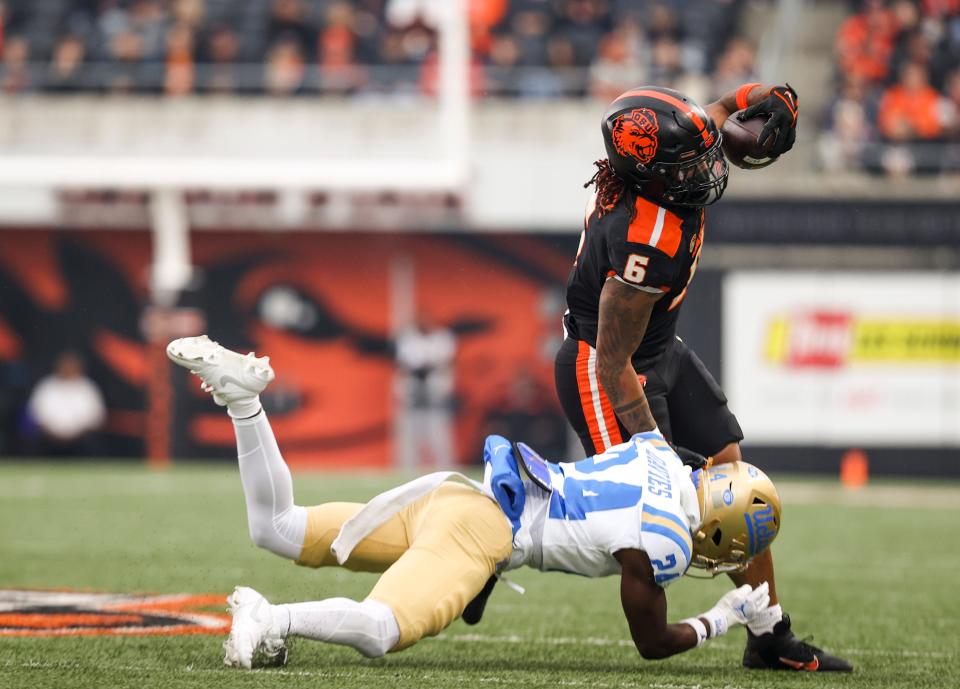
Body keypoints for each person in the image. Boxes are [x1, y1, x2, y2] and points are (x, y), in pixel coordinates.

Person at [167, 335, 784, 669]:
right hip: (482, 531)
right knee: (381, 629)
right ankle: (271, 619)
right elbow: (651, 643)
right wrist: (721, 617)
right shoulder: (666, 545)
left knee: (279, 527)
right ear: (717, 532)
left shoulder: (658, 449)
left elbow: (620, 379)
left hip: (459, 493)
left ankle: (244, 401)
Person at [547, 83, 852, 672]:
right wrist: (657, 459)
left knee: (733, 474)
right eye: (686, 164)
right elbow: (612, 362)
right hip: (608, 368)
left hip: (656, 350)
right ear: (649, 176)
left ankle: (767, 633)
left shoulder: (664, 167)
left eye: (699, 154)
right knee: (652, 520)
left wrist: (759, 95)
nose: (705, 169)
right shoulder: (645, 236)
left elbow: (716, 116)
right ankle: (511, 539)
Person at [26, 351, 106, 456]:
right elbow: (35, 414)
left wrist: (76, 434)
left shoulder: (87, 387)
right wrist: (52, 433)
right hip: (48, 438)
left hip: (80, 439)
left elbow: (96, 417)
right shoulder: (47, 386)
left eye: (71, 366)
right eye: (65, 366)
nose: (68, 369)